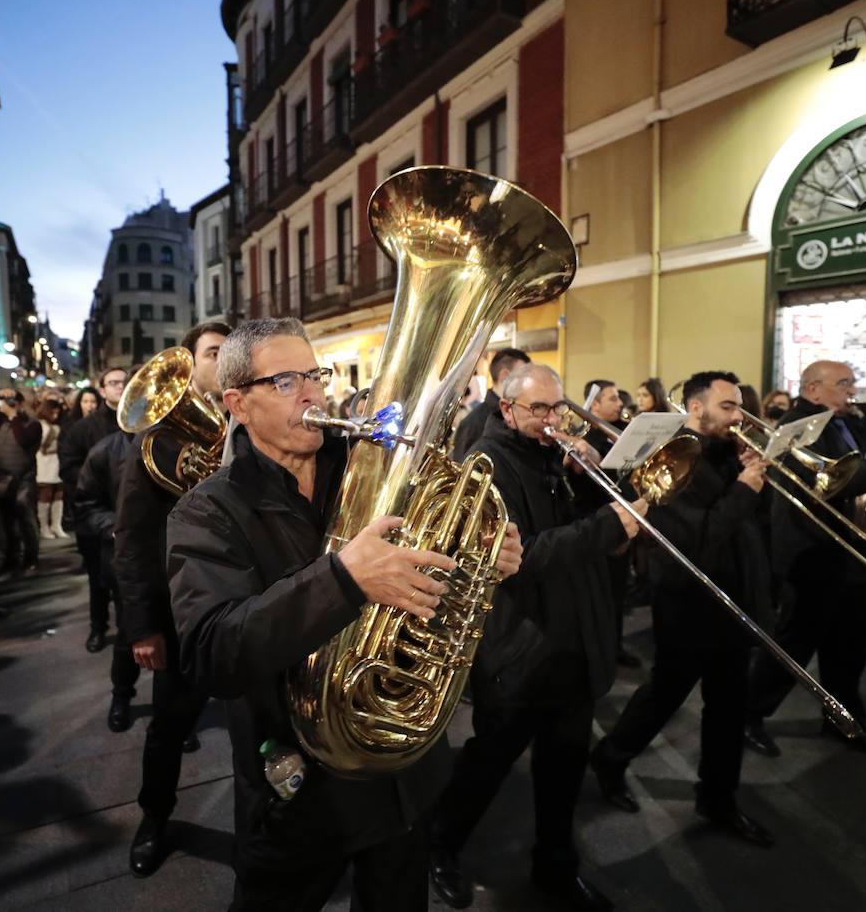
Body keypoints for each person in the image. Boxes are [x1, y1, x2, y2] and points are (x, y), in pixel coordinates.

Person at [168, 318, 522, 912]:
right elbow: (211, 652)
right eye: (285, 381)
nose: (312, 394)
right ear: (238, 404)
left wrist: (478, 559)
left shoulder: (374, 468)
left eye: (314, 375)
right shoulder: (206, 512)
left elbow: (425, 583)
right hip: (298, 787)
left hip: (401, 773)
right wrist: (342, 579)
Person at [430, 363, 641, 912]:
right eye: (538, 410)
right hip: (520, 646)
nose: (551, 420)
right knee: (489, 761)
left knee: (564, 764)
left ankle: (555, 866)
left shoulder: (554, 457)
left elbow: (586, 534)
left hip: (571, 641)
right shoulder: (488, 464)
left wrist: (591, 478)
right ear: (507, 409)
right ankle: (436, 848)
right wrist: (607, 526)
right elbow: (523, 559)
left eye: (557, 408)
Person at [590, 372, 774, 847]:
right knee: (664, 695)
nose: (740, 416)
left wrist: (751, 476)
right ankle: (611, 757)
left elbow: (748, 524)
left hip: (733, 599)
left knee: (728, 709)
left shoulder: (724, 452)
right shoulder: (673, 458)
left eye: (739, 406)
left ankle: (718, 799)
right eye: (729, 406)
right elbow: (698, 542)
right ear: (696, 408)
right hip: (689, 601)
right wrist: (745, 487)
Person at [744, 360, 866, 761]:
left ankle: (845, 720)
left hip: (853, 552)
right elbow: (823, 483)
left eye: (852, 382)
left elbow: (865, 466)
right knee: (794, 643)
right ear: (812, 389)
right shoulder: (797, 424)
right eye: (843, 383)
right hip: (812, 555)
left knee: (850, 648)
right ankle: (748, 715)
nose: (853, 389)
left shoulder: (853, 422)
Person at [113, 322, 229, 877]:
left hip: (252, 602)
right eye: (213, 352)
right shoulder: (157, 443)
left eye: (231, 351)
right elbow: (132, 538)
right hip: (187, 613)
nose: (223, 359)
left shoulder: (255, 422)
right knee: (168, 727)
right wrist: (141, 627)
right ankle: (154, 816)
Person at [61, 368, 127, 651]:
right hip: (98, 515)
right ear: (102, 390)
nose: (120, 387)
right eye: (113, 383)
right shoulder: (83, 429)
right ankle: (98, 628)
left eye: (124, 382)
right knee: (98, 579)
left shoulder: (139, 421)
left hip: (129, 513)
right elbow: (69, 468)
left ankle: (130, 630)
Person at [580, 378, 640, 669]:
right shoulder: (587, 440)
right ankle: (602, 651)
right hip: (601, 524)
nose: (620, 404)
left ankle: (614, 646)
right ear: (594, 405)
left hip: (624, 522)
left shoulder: (617, 434)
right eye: (613, 399)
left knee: (617, 594)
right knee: (602, 597)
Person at [0, 389, 43, 574]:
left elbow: (23, 440)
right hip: (3, 479)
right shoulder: (3, 421)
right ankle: (11, 557)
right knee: (7, 523)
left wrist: (14, 417)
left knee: (26, 521)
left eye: (14, 401)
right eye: (8, 401)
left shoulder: (33, 425)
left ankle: (31, 558)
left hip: (24, 480)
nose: (10, 404)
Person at [450, 347, 529, 462]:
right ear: (505, 376)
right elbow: (461, 472)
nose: (529, 384)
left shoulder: (517, 413)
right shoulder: (474, 422)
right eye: (525, 377)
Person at [37, 398, 66, 539]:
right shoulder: (42, 425)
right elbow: (41, 446)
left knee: (58, 493)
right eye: (52, 412)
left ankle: (56, 525)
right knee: (46, 494)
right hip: (44, 462)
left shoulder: (54, 425)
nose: (55, 415)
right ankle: (44, 527)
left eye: (57, 413)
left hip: (56, 461)